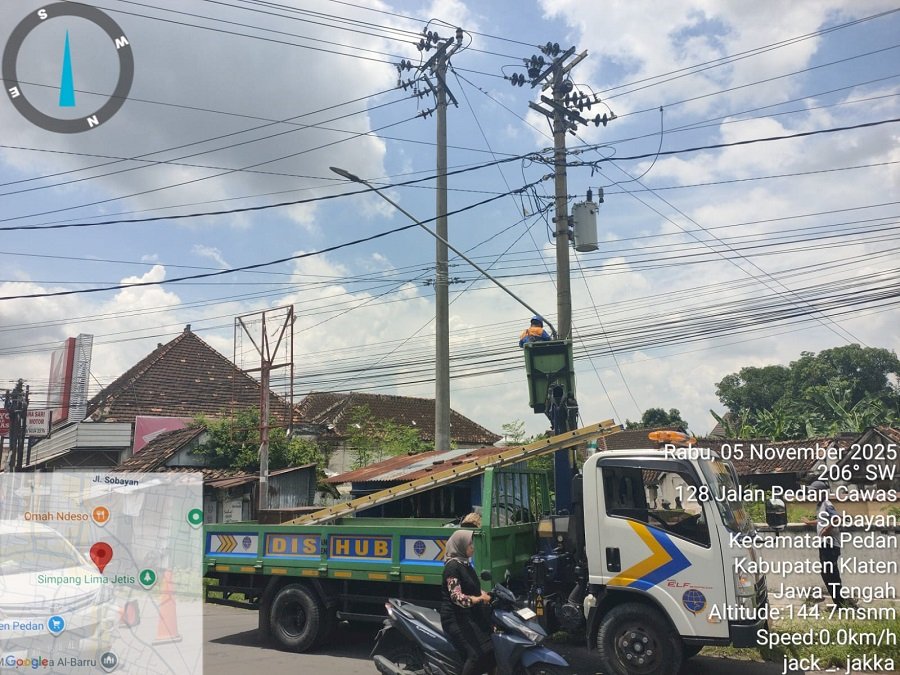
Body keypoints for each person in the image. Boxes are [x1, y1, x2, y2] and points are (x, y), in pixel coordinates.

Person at [440, 529, 494, 675]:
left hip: (468, 615)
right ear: (461, 545)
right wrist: (477, 599)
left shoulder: (465, 564)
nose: (473, 547)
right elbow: (456, 597)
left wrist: (487, 594)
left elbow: (473, 588)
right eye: (470, 544)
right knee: (476, 655)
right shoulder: (452, 567)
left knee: (490, 647)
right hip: (455, 618)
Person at [804, 480, 848, 607]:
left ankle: (840, 604)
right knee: (827, 574)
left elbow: (837, 518)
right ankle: (839, 602)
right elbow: (822, 519)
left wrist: (825, 530)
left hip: (830, 546)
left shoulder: (827, 504)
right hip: (825, 545)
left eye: (813, 492)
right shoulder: (821, 505)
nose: (811, 494)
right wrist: (810, 522)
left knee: (831, 575)